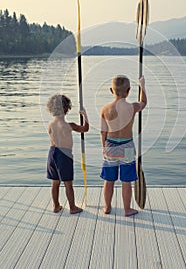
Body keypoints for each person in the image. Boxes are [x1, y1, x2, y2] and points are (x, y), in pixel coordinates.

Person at [100, 75, 147, 216]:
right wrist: (142, 86)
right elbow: (143, 103)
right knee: (126, 181)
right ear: (128, 91)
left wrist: (104, 147)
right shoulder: (132, 107)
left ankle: (107, 207)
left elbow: (103, 131)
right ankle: (127, 209)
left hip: (110, 146)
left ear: (111, 90)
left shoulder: (105, 109)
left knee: (109, 180)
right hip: (127, 146)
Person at [46, 94, 89, 214]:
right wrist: (84, 115)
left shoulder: (50, 124)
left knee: (55, 182)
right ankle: (72, 207)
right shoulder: (69, 126)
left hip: (52, 153)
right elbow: (85, 128)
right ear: (67, 109)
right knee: (68, 183)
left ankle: (56, 205)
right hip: (64, 155)